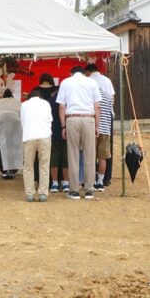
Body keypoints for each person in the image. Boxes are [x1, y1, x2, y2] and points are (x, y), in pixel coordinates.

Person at [56, 65, 101, 200]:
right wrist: (97, 126)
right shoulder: (92, 82)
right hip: (89, 119)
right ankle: (89, 189)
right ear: (83, 73)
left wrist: (63, 126)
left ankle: (74, 190)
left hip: (72, 118)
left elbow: (62, 106)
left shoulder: (65, 82)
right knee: (90, 155)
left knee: (73, 155)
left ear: (71, 73)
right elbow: (97, 106)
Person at [34, 73, 68, 193]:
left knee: (50, 158)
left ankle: (52, 183)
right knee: (66, 158)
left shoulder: (45, 98)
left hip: (49, 132)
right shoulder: (65, 100)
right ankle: (65, 182)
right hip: (65, 133)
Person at [86, 62, 115, 192]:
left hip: (93, 127)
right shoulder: (107, 89)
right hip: (106, 127)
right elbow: (112, 108)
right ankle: (101, 181)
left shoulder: (91, 95)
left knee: (91, 155)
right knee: (102, 157)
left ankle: (90, 181)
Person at [20, 87, 52, 202]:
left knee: (28, 166)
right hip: (44, 136)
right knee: (44, 165)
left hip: (29, 136)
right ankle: (43, 193)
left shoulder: (24, 105)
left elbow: (23, 122)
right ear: (40, 97)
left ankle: (30, 193)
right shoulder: (46, 104)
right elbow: (50, 120)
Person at [0, 89, 22, 179]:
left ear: (3, 96)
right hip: (15, 123)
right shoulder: (17, 102)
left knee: (1, 146)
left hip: (1, 123)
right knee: (14, 146)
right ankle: (13, 170)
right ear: (12, 95)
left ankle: (4, 171)